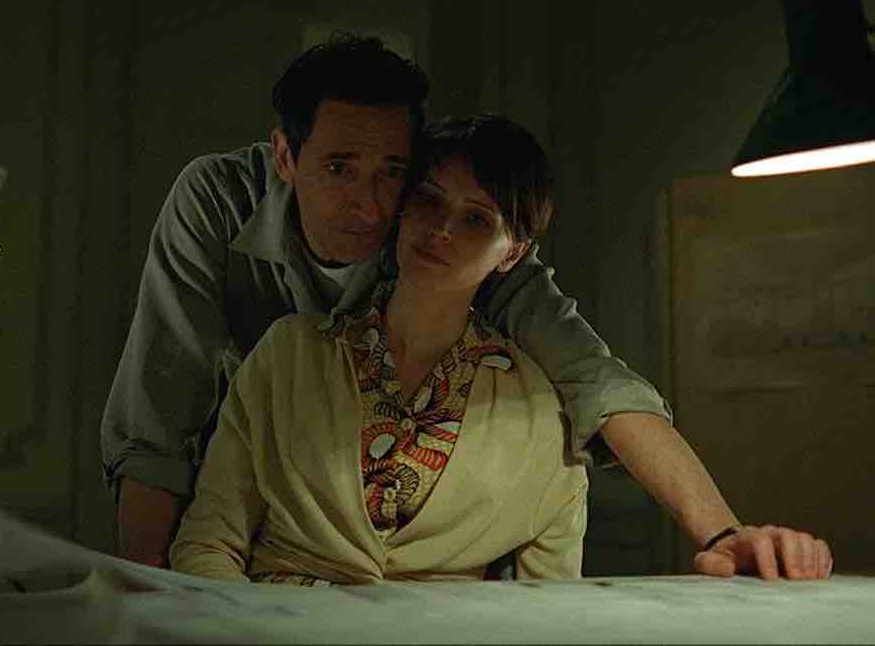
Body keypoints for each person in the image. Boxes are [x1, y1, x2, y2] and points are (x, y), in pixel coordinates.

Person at [102, 33, 832, 580]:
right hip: (249, 534)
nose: (368, 204)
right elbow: (161, 410)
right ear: (286, 158)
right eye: (338, 168)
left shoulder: (446, 233)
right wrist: (154, 597)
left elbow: (598, 380)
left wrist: (720, 534)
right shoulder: (218, 203)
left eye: (392, 172)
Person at [169, 114, 588, 583]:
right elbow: (207, 542)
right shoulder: (289, 354)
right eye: (429, 200)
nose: (442, 229)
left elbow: (550, 605)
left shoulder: (540, 414)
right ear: (402, 208)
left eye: (475, 219)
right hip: (276, 615)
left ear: (512, 252)